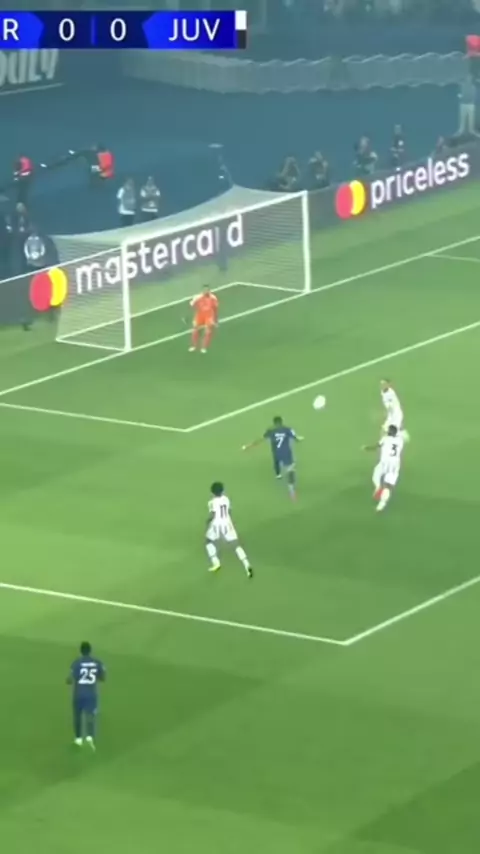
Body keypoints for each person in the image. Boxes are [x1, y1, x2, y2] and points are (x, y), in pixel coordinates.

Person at [242, 415, 303, 500]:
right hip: (286, 453)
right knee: (290, 470)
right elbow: (296, 438)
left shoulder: (271, 430)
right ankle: (291, 490)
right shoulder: (287, 429)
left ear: (274, 423)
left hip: (276, 453)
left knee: (277, 462)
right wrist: (300, 438)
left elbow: (260, 439)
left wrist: (248, 446)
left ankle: (278, 474)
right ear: (281, 422)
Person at [205, 482, 253, 577]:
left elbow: (213, 515)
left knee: (208, 541)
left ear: (212, 492)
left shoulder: (211, 502)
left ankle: (216, 562)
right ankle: (247, 564)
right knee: (236, 544)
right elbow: (229, 511)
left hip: (216, 524)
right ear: (223, 491)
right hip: (227, 522)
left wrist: (207, 522)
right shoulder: (226, 499)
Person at [67, 641, 106, 749]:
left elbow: (70, 679)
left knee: (77, 716)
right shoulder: (97, 662)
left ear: (80, 651)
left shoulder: (76, 663)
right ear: (90, 650)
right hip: (91, 694)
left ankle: (78, 740)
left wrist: (69, 681)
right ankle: (90, 738)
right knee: (90, 715)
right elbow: (102, 678)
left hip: (78, 694)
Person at [364, 424, 405, 513]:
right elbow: (399, 434)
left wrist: (366, 448)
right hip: (394, 465)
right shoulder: (400, 441)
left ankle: (378, 486)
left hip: (384, 463)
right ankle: (381, 505)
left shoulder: (385, 439)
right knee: (388, 486)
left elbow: (376, 446)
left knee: (376, 474)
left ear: (389, 432)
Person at [189, 286, 218, 353]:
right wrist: (195, 307)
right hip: (199, 315)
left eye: (207, 290)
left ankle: (204, 347)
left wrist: (215, 319)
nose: (206, 292)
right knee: (195, 330)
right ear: (203, 291)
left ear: (209, 291)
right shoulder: (197, 297)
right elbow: (192, 304)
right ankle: (194, 346)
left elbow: (215, 309)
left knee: (208, 331)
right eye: (205, 290)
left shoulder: (213, 298)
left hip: (209, 316)